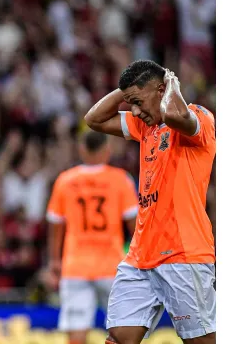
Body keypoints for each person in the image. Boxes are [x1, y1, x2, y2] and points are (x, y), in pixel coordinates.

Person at [84, 60, 216, 344]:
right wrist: (127, 91)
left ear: (161, 90)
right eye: (130, 103)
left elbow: (172, 114)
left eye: (138, 102)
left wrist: (171, 85)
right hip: (140, 257)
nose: (133, 111)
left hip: (183, 254)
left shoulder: (199, 118)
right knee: (119, 338)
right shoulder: (146, 126)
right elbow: (93, 119)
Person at [45, 130, 138, 344]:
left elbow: (55, 223)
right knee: (122, 331)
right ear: (107, 150)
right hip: (113, 266)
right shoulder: (120, 180)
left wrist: (54, 260)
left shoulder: (66, 180)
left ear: (81, 149)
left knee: (77, 333)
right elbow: (135, 226)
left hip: (76, 266)